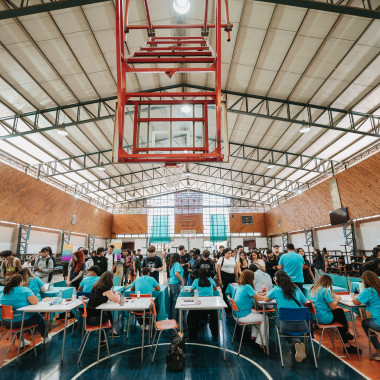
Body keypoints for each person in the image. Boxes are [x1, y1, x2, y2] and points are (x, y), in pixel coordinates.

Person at [264, 270, 308, 362]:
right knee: (291, 320)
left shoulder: (276, 290)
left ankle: (295, 342)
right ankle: (298, 342)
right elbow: (304, 302)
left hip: (286, 326)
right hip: (303, 326)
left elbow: (266, 299)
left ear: (276, 280)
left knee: (277, 321)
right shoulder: (296, 288)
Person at [308, 275, 356, 353]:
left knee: (340, 317)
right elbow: (333, 307)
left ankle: (346, 338)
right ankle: (346, 338)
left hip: (314, 318)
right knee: (340, 312)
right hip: (324, 318)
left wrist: (331, 296)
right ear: (329, 283)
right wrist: (336, 299)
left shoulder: (313, 289)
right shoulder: (324, 290)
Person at [0, 274, 52, 346]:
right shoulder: (24, 290)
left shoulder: (4, 292)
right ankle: (45, 337)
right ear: (20, 282)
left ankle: (21, 341)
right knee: (38, 317)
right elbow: (35, 301)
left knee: (16, 316)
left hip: (7, 323)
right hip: (21, 322)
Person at [233, 270, 267, 348]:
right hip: (243, 316)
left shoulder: (240, 286)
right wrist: (267, 296)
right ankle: (261, 342)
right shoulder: (248, 286)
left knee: (258, 314)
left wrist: (261, 294)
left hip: (237, 314)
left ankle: (254, 336)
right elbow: (258, 298)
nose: (254, 280)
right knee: (265, 318)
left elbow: (254, 294)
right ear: (249, 278)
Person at [352, 271, 380, 360]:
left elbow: (356, 302)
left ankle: (378, 350)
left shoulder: (369, 290)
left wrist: (355, 297)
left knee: (365, 322)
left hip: (379, 322)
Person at [87, 271, 120, 338]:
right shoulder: (105, 288)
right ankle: (109, 333)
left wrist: (111, 293)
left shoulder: (96, 286)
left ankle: (110, 333)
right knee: (107, 314)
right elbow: (116, 300)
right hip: (95, 319)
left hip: (88, 318)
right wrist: (116, 293)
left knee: (107, 311)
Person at [187, 268, 218, 339]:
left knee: (190, 316)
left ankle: (192, 335)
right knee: (214, 315)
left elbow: (191, 291)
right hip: (210, 305)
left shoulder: (196, 281)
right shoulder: (211, 280)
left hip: (199, 305)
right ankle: (215, 333)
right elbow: (216, 289)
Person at [217, 247, 236, 314]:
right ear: (224, 253)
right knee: (225, 293)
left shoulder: (233, 259)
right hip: (224, 276)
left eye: (231, 253)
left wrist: (237, 278)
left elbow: (235, 269)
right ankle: (227, 310)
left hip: (232, 277)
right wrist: (220, 279)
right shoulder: (221, 259)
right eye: (228, 253)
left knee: (232, 292)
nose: (230, 254)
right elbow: (218, 269)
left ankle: (232, 308)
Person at [168, 253, 184, 321]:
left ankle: (172, 317)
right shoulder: (177, 264)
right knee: (175, 302)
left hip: (171, 283)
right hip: (175, 284)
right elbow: (177, 273)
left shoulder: (171, 264)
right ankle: (175, 319)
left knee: (172, 301)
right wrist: (182, 280)